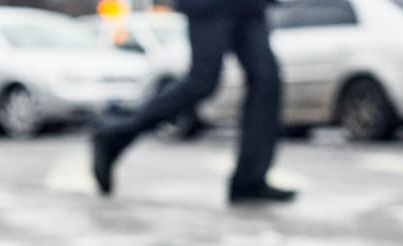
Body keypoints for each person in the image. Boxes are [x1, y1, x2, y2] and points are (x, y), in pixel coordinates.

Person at [90, 0, 296, 204]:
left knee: (266, 81)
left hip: (249, 6)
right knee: (202, 81)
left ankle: (250, 179)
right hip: (209, 5)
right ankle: (114, 134)